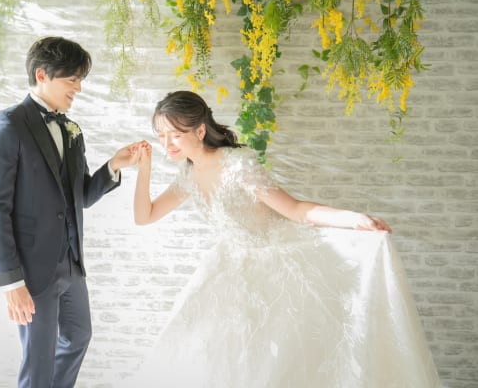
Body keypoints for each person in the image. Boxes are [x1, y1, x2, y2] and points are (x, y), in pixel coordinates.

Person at [127, 90, 440, 387]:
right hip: (230, 268)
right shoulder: (187, 175)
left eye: (175, 134)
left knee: (278, 361)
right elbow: (145, 216)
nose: (166, 143)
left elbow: (294, 209)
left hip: (275, 264)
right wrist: (144, 169)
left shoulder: (236, 165)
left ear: (199, 130)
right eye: (161, 135)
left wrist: (353, 219)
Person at [0, 36, 138, 388]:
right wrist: (11, 282)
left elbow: (81, 196)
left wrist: (114, 165)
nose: (78, 88)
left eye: (80, 80)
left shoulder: (71, 130)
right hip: (31, 269)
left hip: (71, 265)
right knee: (38, 360)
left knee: (78, 337)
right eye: (72, 79)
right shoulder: (9, 124)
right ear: (42, 75)